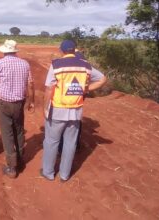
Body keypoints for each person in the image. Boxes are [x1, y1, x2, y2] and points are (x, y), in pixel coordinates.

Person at [41, 40, 107, 182]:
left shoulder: (56, 65)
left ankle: (48, 172)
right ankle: (65, 175)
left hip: (58, 109)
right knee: (70, 143)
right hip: (76, 111)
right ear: (74, 51)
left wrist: (45, 108)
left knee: (52, 141)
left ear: (62, 50)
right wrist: (86, 89)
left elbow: (49, 88)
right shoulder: (85, 65)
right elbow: (102, 79)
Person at [0, 39, 35, 178]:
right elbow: (31, 84)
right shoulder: (24, 64)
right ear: (15, 50)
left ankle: (12, 167)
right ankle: (20, 160)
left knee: (7, 133)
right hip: (19, 103)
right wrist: (31, 101)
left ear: (4, 50)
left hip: (3, 102)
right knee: (19, 130)